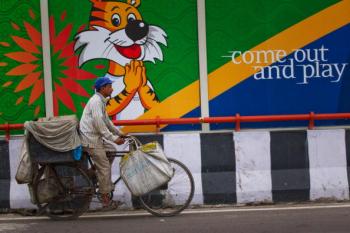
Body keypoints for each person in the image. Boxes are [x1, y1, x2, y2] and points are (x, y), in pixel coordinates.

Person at [79, 76, 126, 209]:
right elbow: (99, 123)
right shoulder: (95, 102)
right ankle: (105, 199)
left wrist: (119, 133)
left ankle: (92, 173)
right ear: (102, 88)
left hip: (96, 138)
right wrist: (113, 138)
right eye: (109, 86)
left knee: (111, 151)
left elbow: (107, 121)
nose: (112, 88)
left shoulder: (101, 101)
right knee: (104, 166)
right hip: (90, 140)